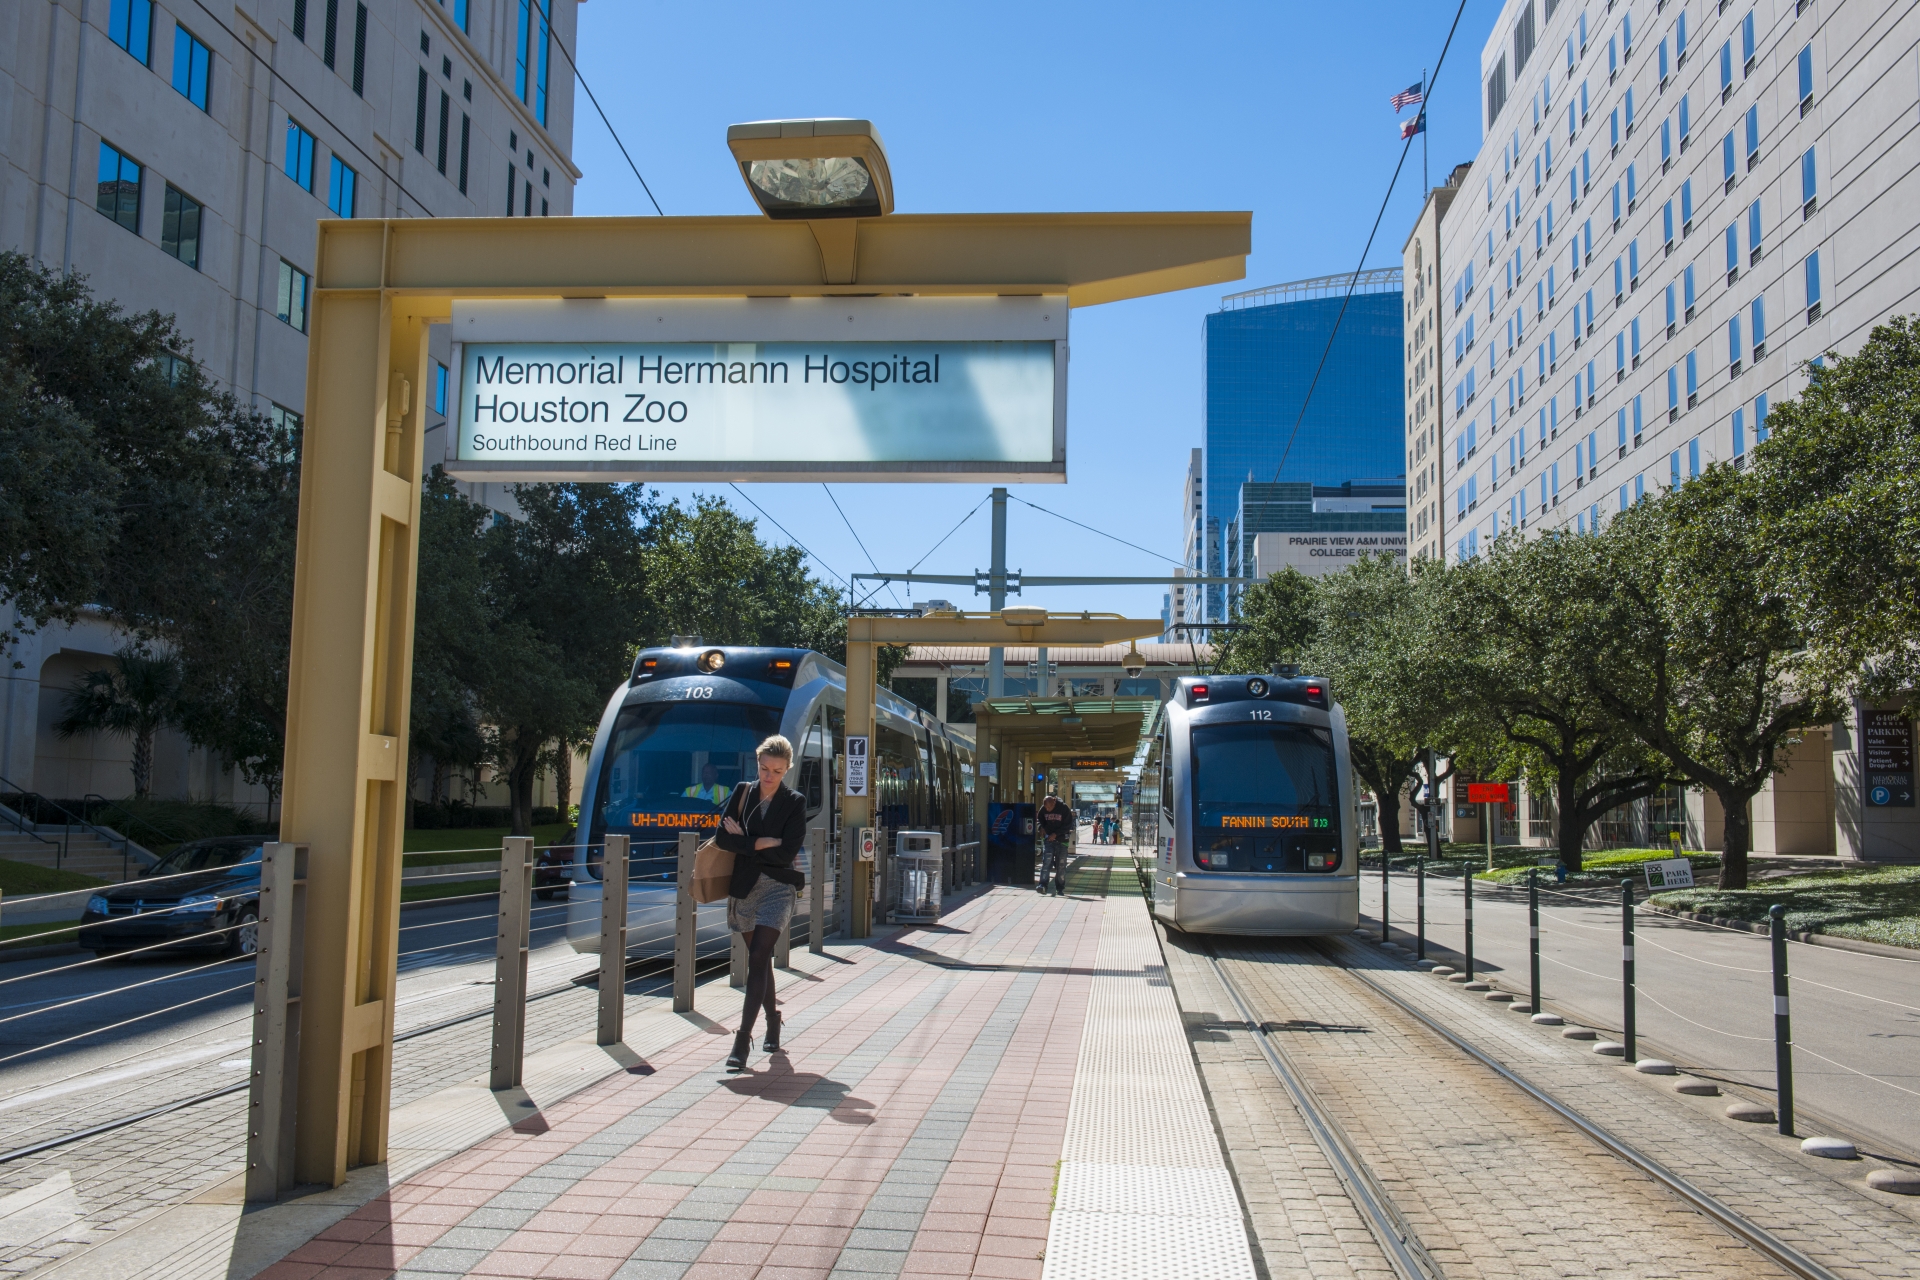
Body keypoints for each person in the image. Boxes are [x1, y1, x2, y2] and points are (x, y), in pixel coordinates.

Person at [718, 735, 807, 1072]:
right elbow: (723, 838)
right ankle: (773, 1019)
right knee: (760, 963)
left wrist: (746, 841)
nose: (769, 776)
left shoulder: (794, 802)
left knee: (758, 956)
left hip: (778, 888)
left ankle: (742, 1040)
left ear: (787, 770)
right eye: (765, 769)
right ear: (757, 763)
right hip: (744, 888)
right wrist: (760, 842)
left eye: (777, 771)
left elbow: (786, 853)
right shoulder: (743, 793)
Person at [1036, 794, 1072, 896]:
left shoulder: (1064, 808)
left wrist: (1056, 834)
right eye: (1046, 807)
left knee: (1061, 865)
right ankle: (1043, 885)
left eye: (1049, 807)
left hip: (1062, 841)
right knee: (1046, 863)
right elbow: (1039, 820)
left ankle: (1060, 888)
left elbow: (1068, 825)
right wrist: (1040, 828)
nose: (1047, 809)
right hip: (1048, 840)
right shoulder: (1043, 809)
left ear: (1054, 802)